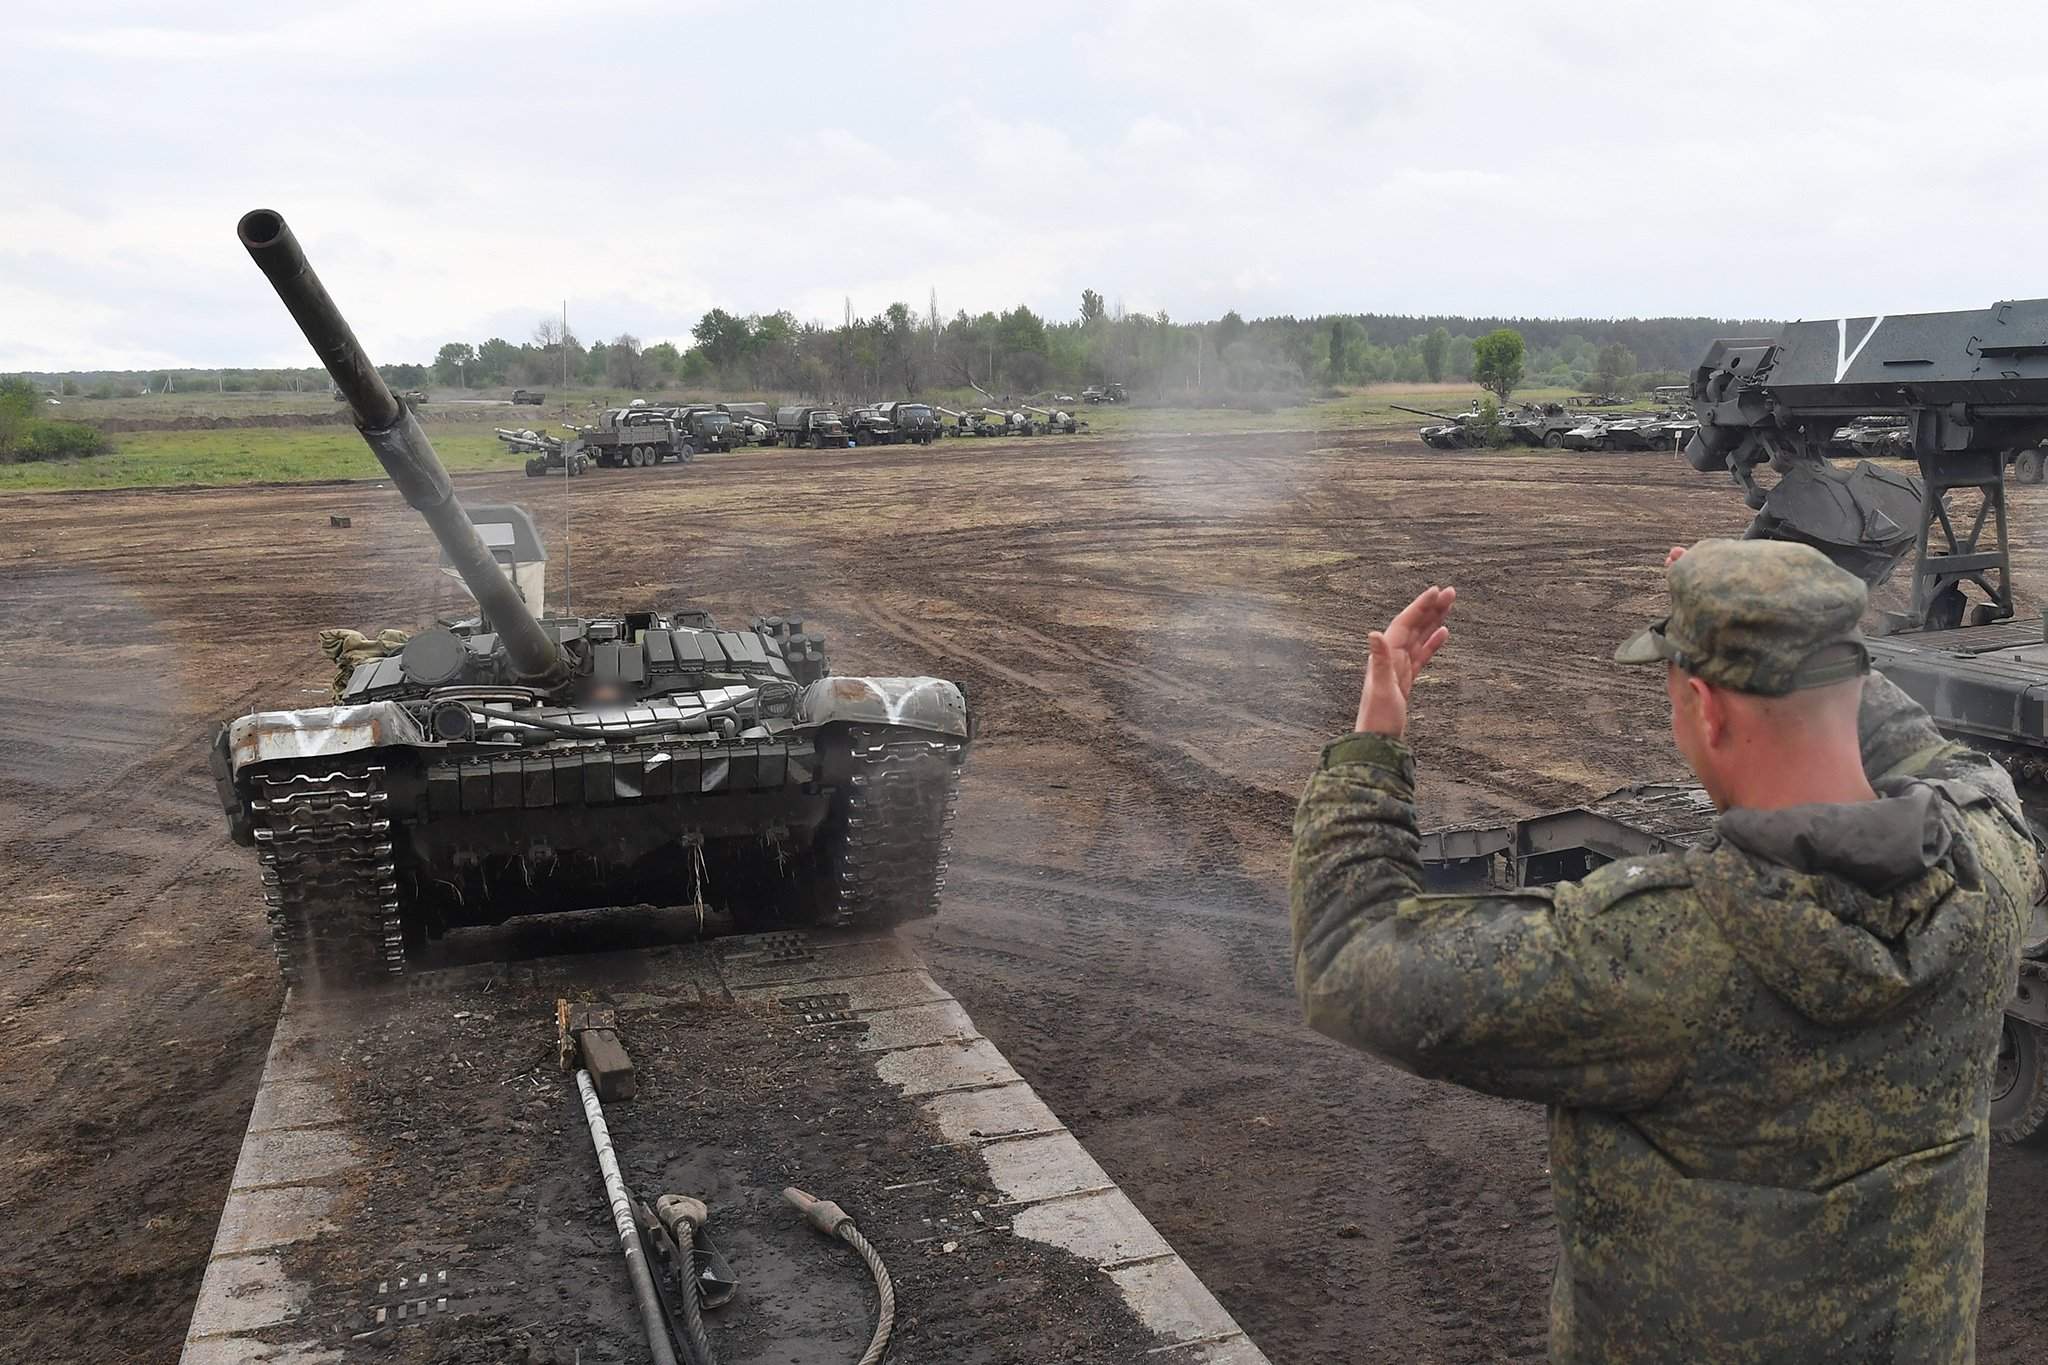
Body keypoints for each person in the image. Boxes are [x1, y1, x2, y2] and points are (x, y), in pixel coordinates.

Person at [1290, 538, 2040, 1364]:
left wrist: (1372, 748)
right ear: (1852, 680)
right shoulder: (1991, 875)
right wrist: (1789, 625)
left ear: (1706, 709)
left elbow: (1348, 954)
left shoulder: (1648, 949)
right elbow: (1961, 768)